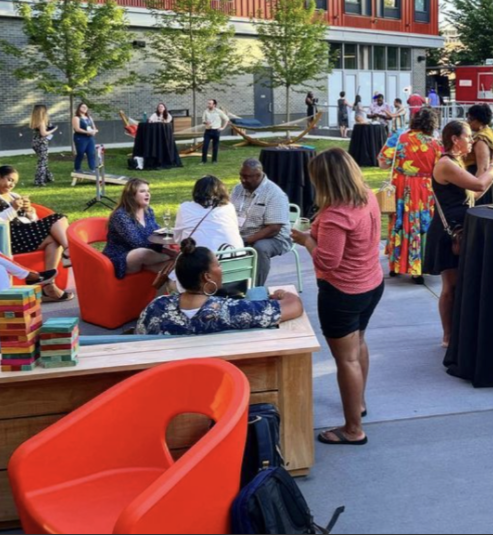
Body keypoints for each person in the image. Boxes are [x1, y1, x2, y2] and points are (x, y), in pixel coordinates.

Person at [292, 149, 385, 446]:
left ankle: (353, 429)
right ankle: (358, 403)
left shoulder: (336, 215)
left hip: (343, 292)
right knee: (358, 344)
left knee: (346, 360)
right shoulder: (366, 196)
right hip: (371, 284)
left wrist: (306, 239)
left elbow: (328, 261)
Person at [425, 120, 493, 348]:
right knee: (451, 286)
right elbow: (478, 186)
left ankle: (459, 333)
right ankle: (448, 337)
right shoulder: (445, 163)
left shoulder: (456, 161)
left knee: (461, 283)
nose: (472, 141)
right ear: (455, 139)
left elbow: (470, 197)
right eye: (469, 137)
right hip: (450, 233)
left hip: (461, 228)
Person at [136, 238, 303, 336]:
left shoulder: (156, 308)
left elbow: (140, 337)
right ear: (207, 277)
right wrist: (282, 295)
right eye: (218, 265)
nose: (221, 268)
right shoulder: (230, 310)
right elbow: (294, 306)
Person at [0, 165, 73, 301]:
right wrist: (12, 209)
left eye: (14, 182)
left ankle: (48, 286)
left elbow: (32, 221)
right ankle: (68, 251)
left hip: (25, 234)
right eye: (9, 180)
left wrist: (30, 211)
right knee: (57, 217)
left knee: (54, 239)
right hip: (6, 238)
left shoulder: (14, 196)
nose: (11, 185)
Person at [377, 108, 442, 284]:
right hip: (424, 189)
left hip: (401, 188)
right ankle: (417, 269)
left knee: (399, 222)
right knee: (420, 225)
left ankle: (395, 265)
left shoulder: (400, 138)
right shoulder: (436, 144)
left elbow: (383, 162)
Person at [230, 159, 292, 286]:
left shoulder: (274, 194)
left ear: (258, 175)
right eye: (241, 175)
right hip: (243, 233)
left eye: (247, 177)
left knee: (260, 248)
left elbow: (274, 228)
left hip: (274, 237)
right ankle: (227, 286)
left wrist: (246, 240)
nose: (242, 180)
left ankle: (255, 288)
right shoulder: (237, 189)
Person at [102, 178, 171, 279]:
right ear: (131, 196)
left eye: (148, 191)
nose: (147, 194)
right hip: (121, 258)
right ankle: (171, 257)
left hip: (148, 257)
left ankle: (158, 294)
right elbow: (137, 243)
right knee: (141, 253)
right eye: (142, 191)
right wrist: (167, 254)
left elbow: (156, 233)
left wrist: (166, 241)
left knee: (170, 266)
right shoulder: (121, 215)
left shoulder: (148, 211)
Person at [173, 175, 243, 256]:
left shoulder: (185, 208)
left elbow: (178, 239)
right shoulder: (229, 207)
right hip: (238, 262)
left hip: (202, 264)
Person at [464, 104, 493, 206]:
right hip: (492, 178)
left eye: (470, 118)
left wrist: (474, 190)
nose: (468, 121)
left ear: (478, 120)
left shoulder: (481, 139)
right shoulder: (491, 132)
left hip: (484, 182)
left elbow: (483, 168)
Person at [29, 105, 56, 187]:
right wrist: (53, 130)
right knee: (42, 162)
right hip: (41, 143)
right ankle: (39, 181)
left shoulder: (35, 121)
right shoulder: (41, 122)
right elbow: (43, 133)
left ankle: (48, 177)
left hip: (35, 142)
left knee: (43, 161)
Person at [201, 99, 232, 164]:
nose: (208, 105)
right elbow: (203, 120)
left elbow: (227, 119)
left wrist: (223, 128)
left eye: (210, 103)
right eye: (208, 103)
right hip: (208, 131)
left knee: (215, 146)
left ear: (214, 105)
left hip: (216, 131)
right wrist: (205, 122)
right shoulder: (205, 111)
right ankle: (204, 161)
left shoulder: (219, 111)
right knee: (205, 146)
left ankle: (214, 160)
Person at [71, 103, 98, 172]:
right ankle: (77, 168)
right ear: (79, 108)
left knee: (91, 153)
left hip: (90, 138)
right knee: (80, 153)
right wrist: (87, 132)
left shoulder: (89, 117)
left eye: (86, 107)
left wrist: (94, 131)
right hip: (80, 138)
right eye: (83, 107)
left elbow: (94, 127)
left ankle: (93, 169)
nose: (85, 108)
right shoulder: (76, 118)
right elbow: (77, 129)